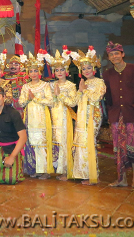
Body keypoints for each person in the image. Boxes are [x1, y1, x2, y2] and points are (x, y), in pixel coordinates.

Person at [103, 41, 134, 190]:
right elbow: (108, 96)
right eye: (111, 55)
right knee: (119, 149)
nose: (114, 56)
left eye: (117, 53)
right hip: (117, 116)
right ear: (109, 58)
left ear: (123, 54)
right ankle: (122, 179)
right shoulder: (107, 74)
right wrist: (111, 113)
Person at [71, 47, 106, 185]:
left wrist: (84, 91)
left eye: (88, 68)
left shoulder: (99, 82)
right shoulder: (83, 83)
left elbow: (97, 97)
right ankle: (82, 174)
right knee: (81, 144)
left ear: (94, 69)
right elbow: (74, 101)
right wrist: (79, 91)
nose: (86, 70)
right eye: (84, 68)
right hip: (81, 116)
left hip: (92, 116)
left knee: (89, 143)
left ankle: (92, 175)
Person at [18, 51, 54, 179]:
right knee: (31, 142)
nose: (33, 74)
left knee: (41, 143)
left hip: (41, 117)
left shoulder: (45, 85)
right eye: (31, 71)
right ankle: (33, 168)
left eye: (35, 71)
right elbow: (21, 102)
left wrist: (35, 98)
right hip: (29, 118)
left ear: (39, 72)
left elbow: (50, 101)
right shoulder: (25, 86)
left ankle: (44, 169)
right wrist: (28, 98)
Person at [45, 47, 78, 181]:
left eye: (62, 69)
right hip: (53, 115)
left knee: (64, 141)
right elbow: (49, 101)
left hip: (65, 116)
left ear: (67, 71)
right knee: (54, 142)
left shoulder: (70, 85)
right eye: (57, 70)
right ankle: (56, 168)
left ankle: (66, 170)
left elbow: (73, 102)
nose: (59, 72)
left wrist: (60, 96)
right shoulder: (51, 85)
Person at [0, 86, 27, 184]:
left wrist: (12, 157)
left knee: (10, 179)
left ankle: (6, 171)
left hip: (11, 150)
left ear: (4, 97)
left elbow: (23, 137)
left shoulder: (13, 113)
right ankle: (1, 171)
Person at [4, 52, 29, 117]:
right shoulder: (4, 77)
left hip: (21, 105)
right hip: (6, 105)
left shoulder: (25, 77)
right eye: (11, 64)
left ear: (21, 66)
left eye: (16, 64)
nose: (13, 66)